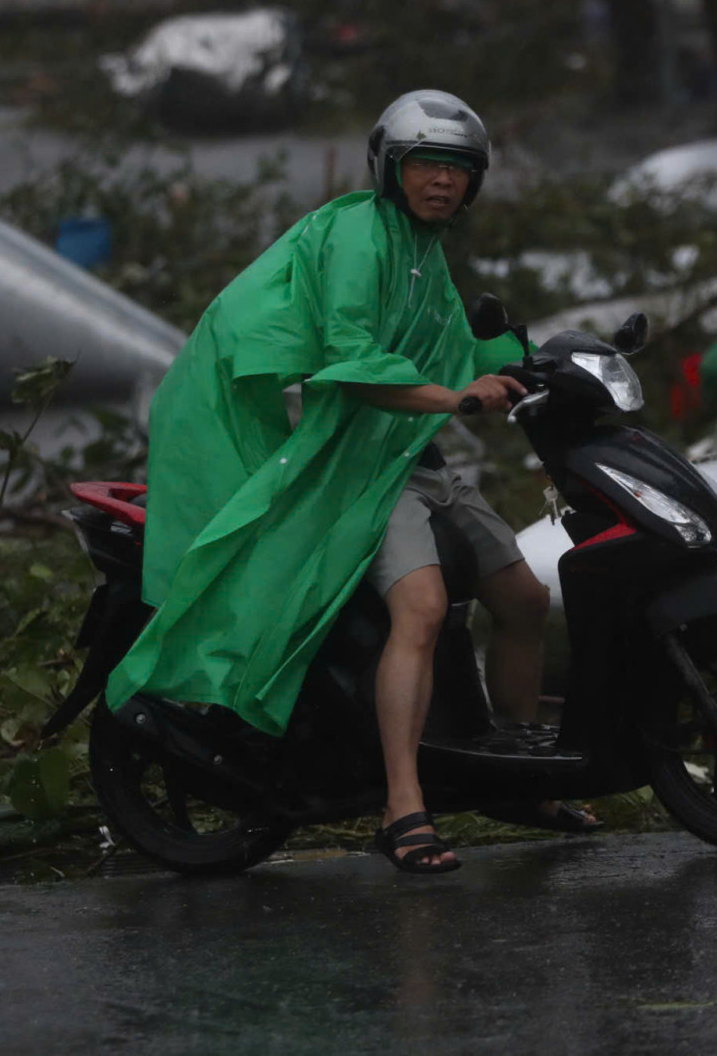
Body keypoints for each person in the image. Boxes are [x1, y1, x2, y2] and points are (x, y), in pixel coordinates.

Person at [104, 89, 593, 875]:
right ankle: (406, 807)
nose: (443, 181)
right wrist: (453, 396)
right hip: (358, 467)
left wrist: (540, 360)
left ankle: (519, 779)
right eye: (428, 164)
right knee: (424, 609)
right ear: (391, 168)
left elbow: (454, 350)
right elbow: (352, 361)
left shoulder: (423, 253)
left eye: (459, 169)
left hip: (416, 458)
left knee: (524, 598)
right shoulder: (358, 234)